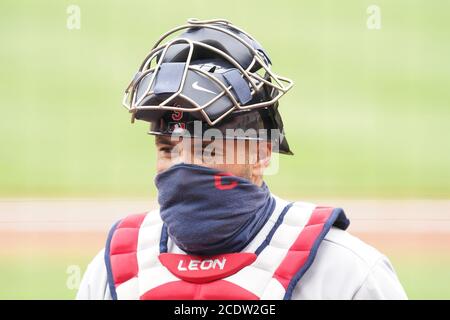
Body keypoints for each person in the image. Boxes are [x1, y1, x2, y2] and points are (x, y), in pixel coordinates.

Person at [77, 18, 407, 300]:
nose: (182, 166)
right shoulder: (113, 271)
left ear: (262, 153)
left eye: (207, 148)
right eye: (168, 149)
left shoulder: (345, 273)